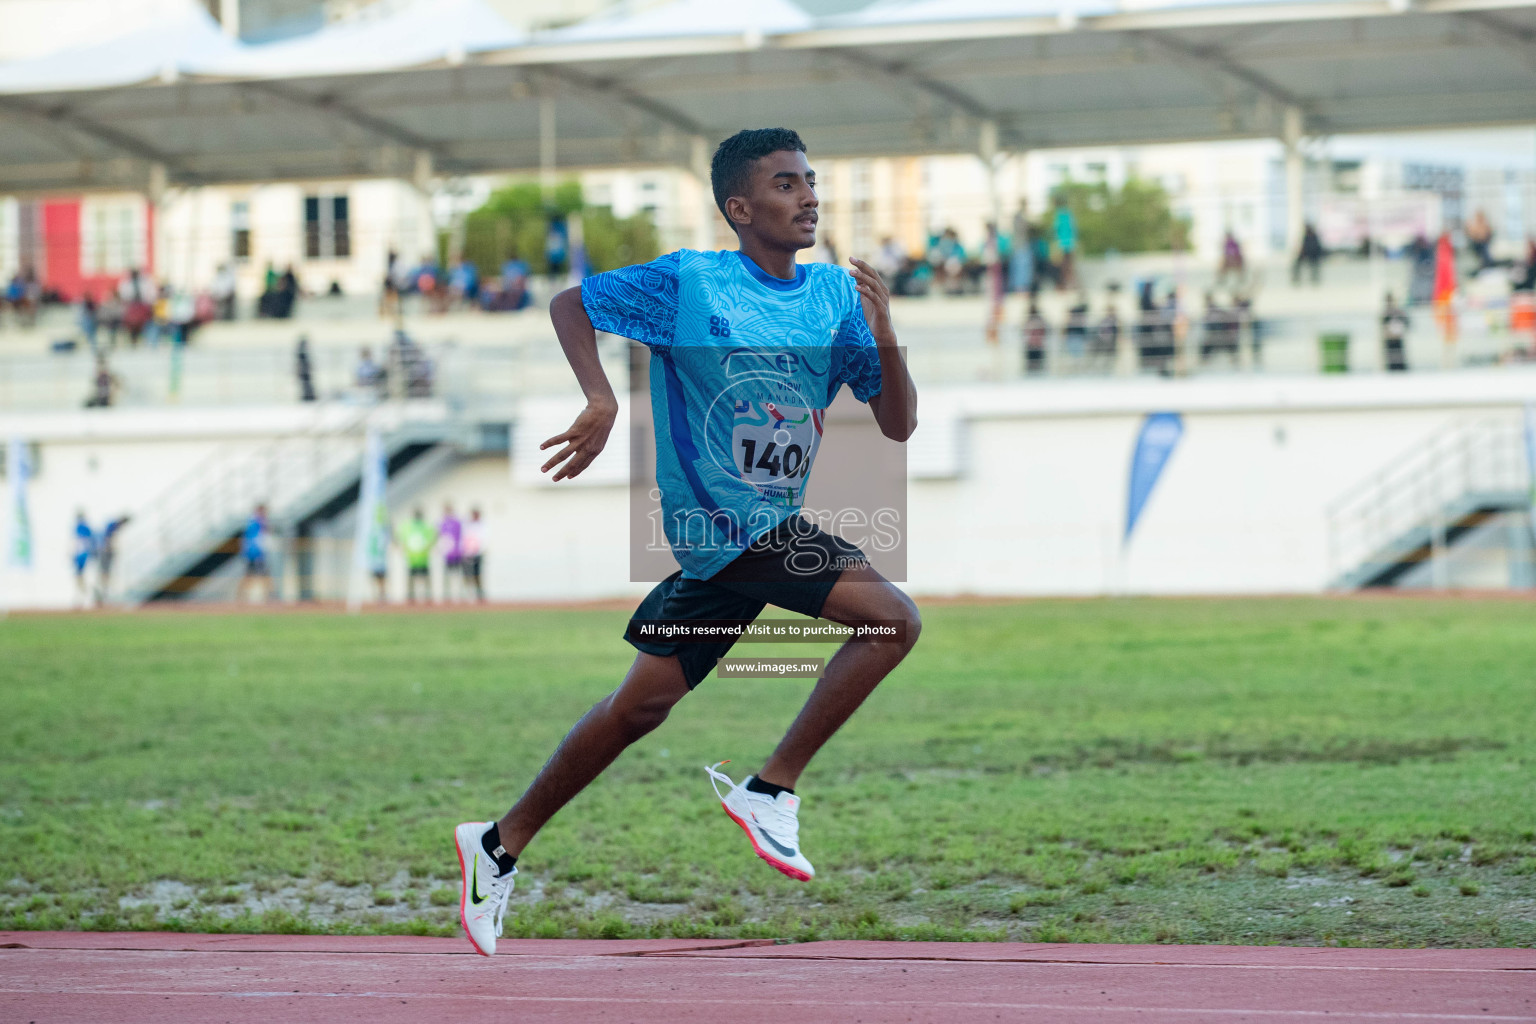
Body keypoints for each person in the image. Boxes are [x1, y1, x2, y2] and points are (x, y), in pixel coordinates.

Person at [452, 128, 921, 958]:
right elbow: (573, 303)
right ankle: (771, 790)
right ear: (740, 209)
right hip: (727, 525)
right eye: (785, 185)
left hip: (749, 536)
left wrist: (883, 333)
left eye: (810, 181)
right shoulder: (690, 281)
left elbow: (898, 424)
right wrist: (602, 398)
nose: (807, 196)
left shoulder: (832, 300)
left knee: (640, 707)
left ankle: (497, 843)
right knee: (892, 620)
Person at [396, 507, 437, 603]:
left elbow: (433, 538)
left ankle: (427, 596)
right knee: (412, 578)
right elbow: (401, 538)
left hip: (422, 557)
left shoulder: (425, 526)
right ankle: (411, 597)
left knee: (424, 578)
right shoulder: (409, 526)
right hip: (413, 557)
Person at [238, 504, 272, 603]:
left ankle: (243, 596)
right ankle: (267, 597)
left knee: (254, 575)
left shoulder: (254, 522)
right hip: (255, 554)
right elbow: (253, 540)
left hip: (256, 553)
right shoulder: (256, 522)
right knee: (256, 575)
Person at [96, 514, 129, 604]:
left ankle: (105, 592)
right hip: (105, 552)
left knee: (107, 573)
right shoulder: (112, 525)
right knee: (104, 573)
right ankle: (103, 593)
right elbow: (106, 538)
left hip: (107, 552)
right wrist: (109, 549)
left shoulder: (114, 525)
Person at [438, 502, 463, 602]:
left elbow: (461, 537)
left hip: (456, 553)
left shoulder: (457, 523)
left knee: (456, 575)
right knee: (447, 575)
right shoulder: (441, 523)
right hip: (446, 554)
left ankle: (456, 596)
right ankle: (446, 596)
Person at [1053, 196, 1077, 291]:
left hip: (1062, 244)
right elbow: (1074, 229)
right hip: (1070, 243)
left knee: (1063, 266)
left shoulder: (1059, 215)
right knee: (1069, 265)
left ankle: (1064, 285)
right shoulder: (1069, 214)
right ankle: (1071, 284)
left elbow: (1056, 229)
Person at [1381, 292, 1410, 372]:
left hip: (1397, 339)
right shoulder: (1386, 313)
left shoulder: (1399, 312)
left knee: (1400, 361)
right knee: (1391, 362)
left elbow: (1407, 322)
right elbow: (1384, 326)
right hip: (1390, 340)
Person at [461, 506, 485, 602]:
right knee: (466, 575)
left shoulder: (482, 525)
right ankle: (468, 594)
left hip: (477, 553)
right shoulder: (467, 524)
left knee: (477, 574)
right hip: (467, 553)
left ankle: (479, 594)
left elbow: (483, 540)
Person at [72, 512, 94, 607]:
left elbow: (84, 542)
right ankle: (81, 597)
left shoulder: (83, 528)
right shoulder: (79, 527)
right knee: (79, 577)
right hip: (80, 555)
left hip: (82, 555)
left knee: (81, 577)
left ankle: (85, 597)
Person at [1023, 301, 1049, 375]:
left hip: (1037, 344)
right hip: (1032, 345)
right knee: (1032, 363)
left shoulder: (1038, 320)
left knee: (1038, 363)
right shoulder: (1029, 321)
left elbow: (1045, 330)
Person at [295, 337, 317, 402]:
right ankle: (308, 396)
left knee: (306, 385)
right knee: (306, 385)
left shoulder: (302, 352)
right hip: (304, 372)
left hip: (305, 372)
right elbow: (300, 363)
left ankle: (308, 396)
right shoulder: (301, 353)